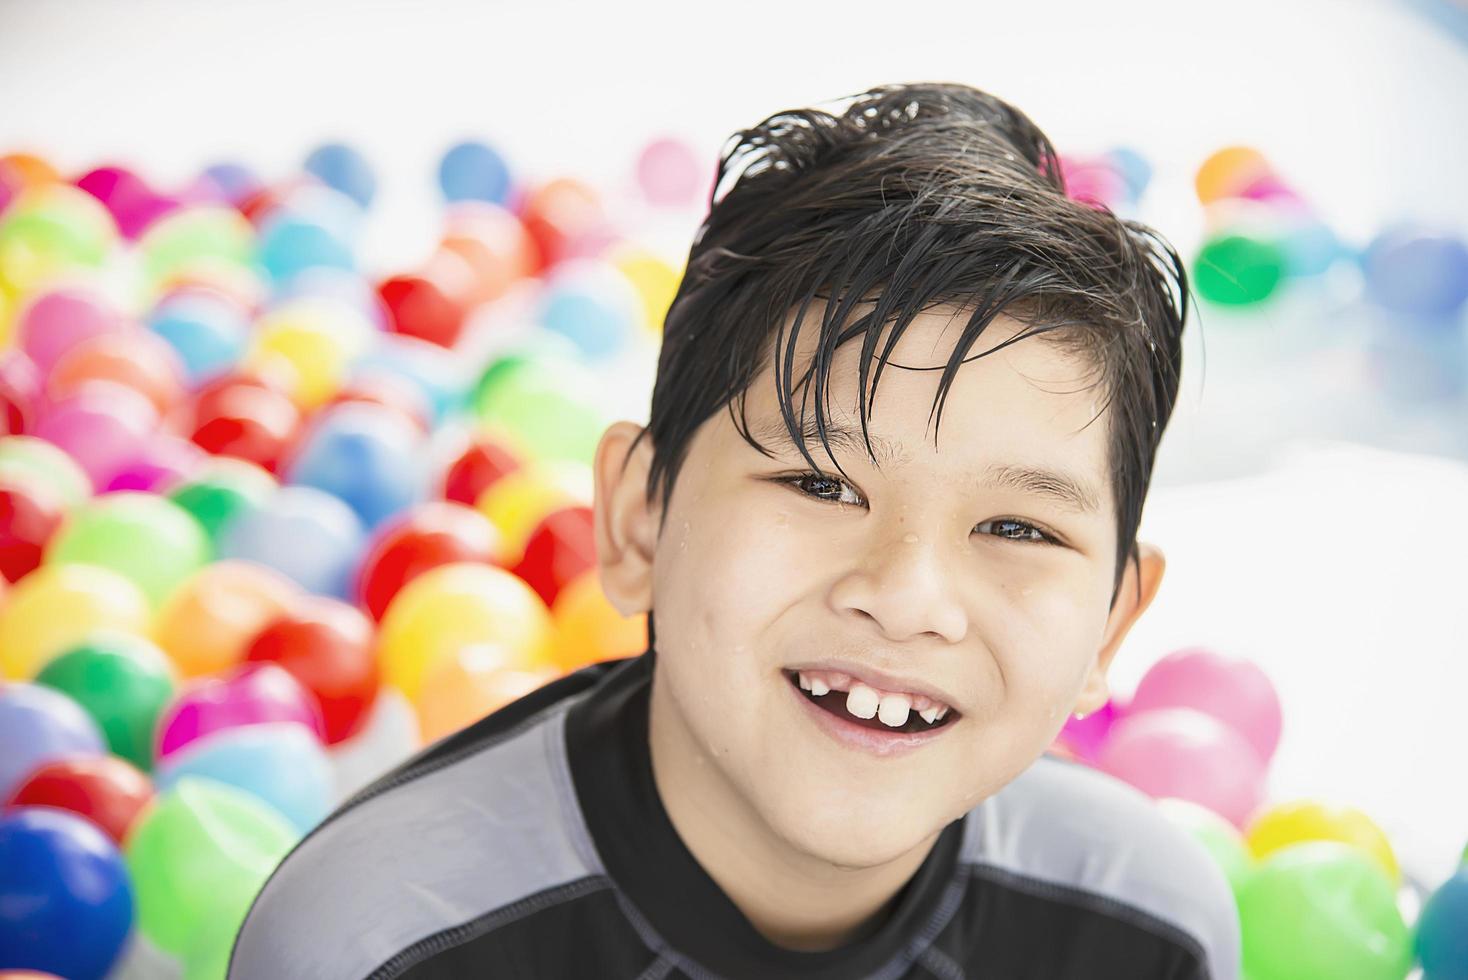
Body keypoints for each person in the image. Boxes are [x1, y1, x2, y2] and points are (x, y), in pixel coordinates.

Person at [229, 81, 1240, 979]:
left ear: (1111, 619)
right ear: (635, 519)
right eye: (818, 481)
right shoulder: (381, 942)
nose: (905, 594)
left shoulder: (1143, 929)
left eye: (1016, 525)